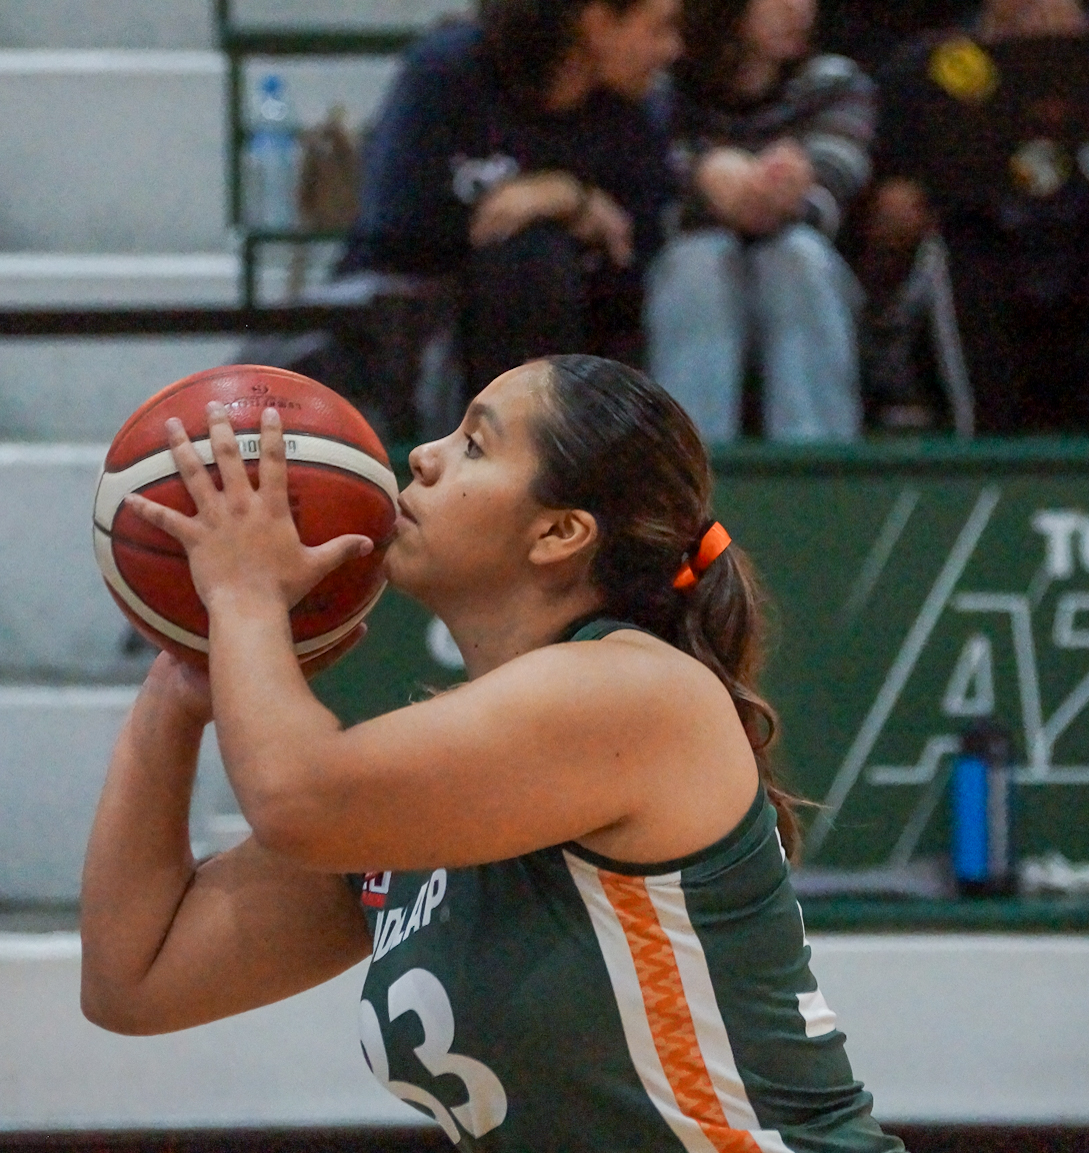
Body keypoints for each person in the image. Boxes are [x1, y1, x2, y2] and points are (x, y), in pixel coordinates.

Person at [79, 355, 903, 1153]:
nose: (423, 456)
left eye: (474, 443)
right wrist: (178, 685)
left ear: (558, 532)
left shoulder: (635, 692)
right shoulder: (447, 781)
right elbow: (135, 978)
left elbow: (297, 798)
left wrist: (246, 595)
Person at [860, 0, 1089, 436]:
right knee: (965, 253)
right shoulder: (927, 65)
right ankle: (982, 460)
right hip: (981, 263)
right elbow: (891, 219)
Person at [338, 0, 682, 405]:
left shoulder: (632, 114)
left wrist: (564, 196)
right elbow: (395, 224)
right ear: (597, 23)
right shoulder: (450, 72)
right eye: (659, 29)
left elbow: (638, 242)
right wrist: (544, 210)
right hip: (421, 337)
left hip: (582, 365)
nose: (673, 50)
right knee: (526, 260)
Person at [646, 0, 875, 442]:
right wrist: (709, 177)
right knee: (698, 262)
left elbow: (829, 197)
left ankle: (816, 473)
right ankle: (688, 483)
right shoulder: (666, 84)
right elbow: (648, 191)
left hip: (813, 273)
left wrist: (759, 195)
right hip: (690, 271)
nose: (798, 9)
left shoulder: (836, 83)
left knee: (796, 255)